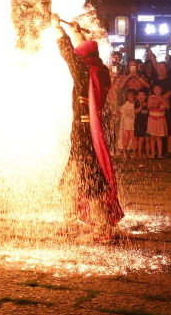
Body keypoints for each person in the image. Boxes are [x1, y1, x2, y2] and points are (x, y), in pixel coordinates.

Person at [52, 14, 123, 236]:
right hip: (85, 130)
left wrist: (58, 30)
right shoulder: (98, 68)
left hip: (84, 132)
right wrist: (76, 32)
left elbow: (69, 57)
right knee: (72, 179)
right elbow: (80, 54)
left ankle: (102, 226)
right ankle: (70, 220)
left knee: (90, 179)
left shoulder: (85, 70)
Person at [147, 84, 169, 159]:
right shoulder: (151, 97)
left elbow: (168, 106)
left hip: (161, 119)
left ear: (162, 89)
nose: (157, 90)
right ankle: (153, 153)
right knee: (152, 137)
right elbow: (148, 107)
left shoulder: (165, 97)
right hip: (152, 119)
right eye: (155, 88)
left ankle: (160, 153)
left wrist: (162, 99)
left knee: (159, 137)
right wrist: (154, 102)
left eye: (159, 88)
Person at [119, 89, 136, 156]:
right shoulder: (125, 105)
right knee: (125, 140)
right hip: (125, 127)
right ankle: (124, 152)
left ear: (135, 96)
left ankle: (134, 152)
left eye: (131, 96)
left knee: (134, 140)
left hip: (133, 127)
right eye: (128, 96)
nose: (129, 98)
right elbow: (122, 113)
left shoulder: (135, 105)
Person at [134, 89, 149, 158]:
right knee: (140, 139)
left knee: (147, 139)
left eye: (143, 95)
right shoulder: (136, 103)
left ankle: (147, 153)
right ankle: (139, 153)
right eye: (139, 95)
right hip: (139, 123)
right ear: (137, 96)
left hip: (147, 123)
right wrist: (142, 106)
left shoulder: (148, 103)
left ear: (146, 96)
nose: (141, 96)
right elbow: (136, 112)